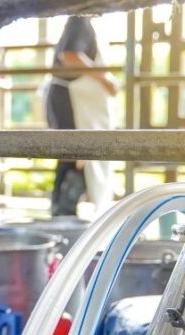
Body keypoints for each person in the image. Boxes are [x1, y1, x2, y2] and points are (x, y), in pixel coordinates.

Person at [47, 16, 119, 217]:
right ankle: (63, 214)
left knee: (78, 155)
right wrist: (106, 79)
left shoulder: (84, 24)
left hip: (78, 102)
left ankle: (64, 214)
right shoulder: (79, 20)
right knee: (76, 154)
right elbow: (70, 56)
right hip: (71, 100)